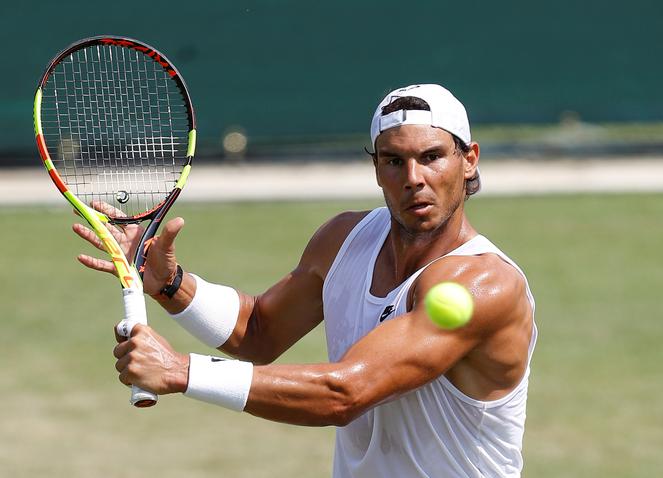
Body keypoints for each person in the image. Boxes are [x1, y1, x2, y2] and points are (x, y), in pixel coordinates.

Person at [75, 84, 537, 477]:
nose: (414, 178)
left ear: (469, 160)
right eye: (394, 161)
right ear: (376, 167)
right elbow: (258, 331)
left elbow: (345, 393)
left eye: (432, 157)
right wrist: (173, 285)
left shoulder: (485, 284)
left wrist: (181, 371)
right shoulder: (343, 240)